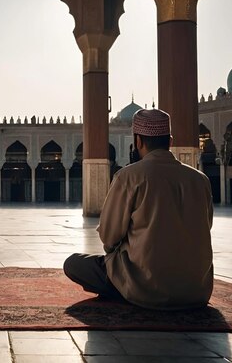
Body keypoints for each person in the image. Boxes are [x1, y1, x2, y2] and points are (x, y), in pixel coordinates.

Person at [64, 109, 214, 310]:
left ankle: (125, 290)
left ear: (138, 141)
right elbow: (206, 226)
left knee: (73, 264)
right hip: (196, 291)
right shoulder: (200, 179)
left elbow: (109, 236)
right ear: (169, 141)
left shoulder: (129, 176)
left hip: (145, 288)